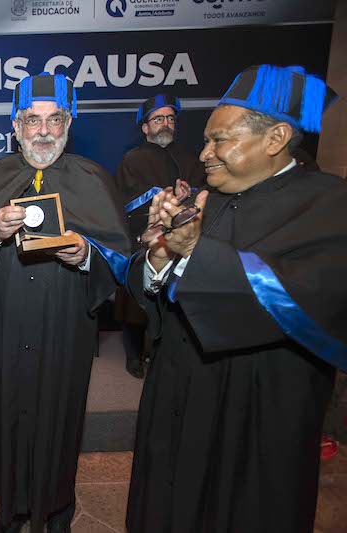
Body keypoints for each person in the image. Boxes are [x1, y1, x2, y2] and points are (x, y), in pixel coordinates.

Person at [125, 65, 346, 533]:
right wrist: (159, 253)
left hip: (255, 412)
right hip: (177, 398)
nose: (204, 153)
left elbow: (302, 302)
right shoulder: (210, 198)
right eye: (206, 139)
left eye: (219, 140)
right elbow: (157, 295)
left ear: (276, 138)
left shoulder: (329, 204)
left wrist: (193, 252)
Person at [0, 72, 130, 532]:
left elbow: (123, 260)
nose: (44, 131)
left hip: (65, 323)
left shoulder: (92, 177)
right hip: (9, 322)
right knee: (9, 414)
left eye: (54, 119)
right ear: (16, 126)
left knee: (58, 415)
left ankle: (56, 511)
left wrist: (88, 253)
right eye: (33, 120)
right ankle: (11, 511)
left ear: (69, 124)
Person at [113, 94, 206, 378]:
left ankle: (159, 351)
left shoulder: (191, 158)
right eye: (158, 119)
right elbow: (124, 201)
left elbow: (203, 196)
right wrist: (162, 194)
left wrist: (186, 195)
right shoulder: (132, 159)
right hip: (141, 236)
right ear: (145, 127)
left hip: (182, 238)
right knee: (136, 300)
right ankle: (132, 354)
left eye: (170, 119)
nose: (164, 124)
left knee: (171, 299)